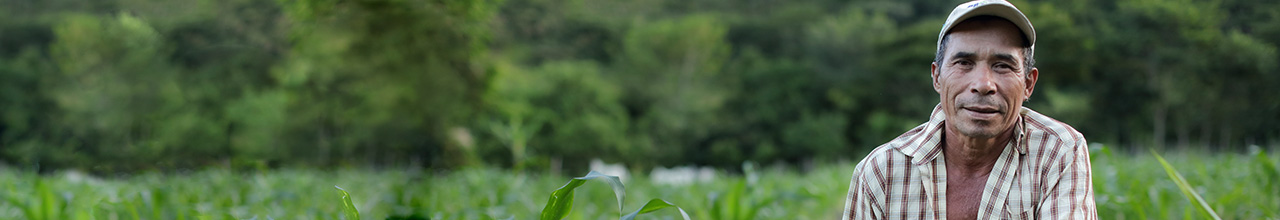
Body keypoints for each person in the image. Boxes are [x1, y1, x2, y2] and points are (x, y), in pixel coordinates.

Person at [841, 0, 1097, 219]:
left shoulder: (1058, 151)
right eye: (964, 62)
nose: (983, 85)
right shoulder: (881, 171)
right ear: (937, 77)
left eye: (1003, 66)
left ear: (1028, 83)